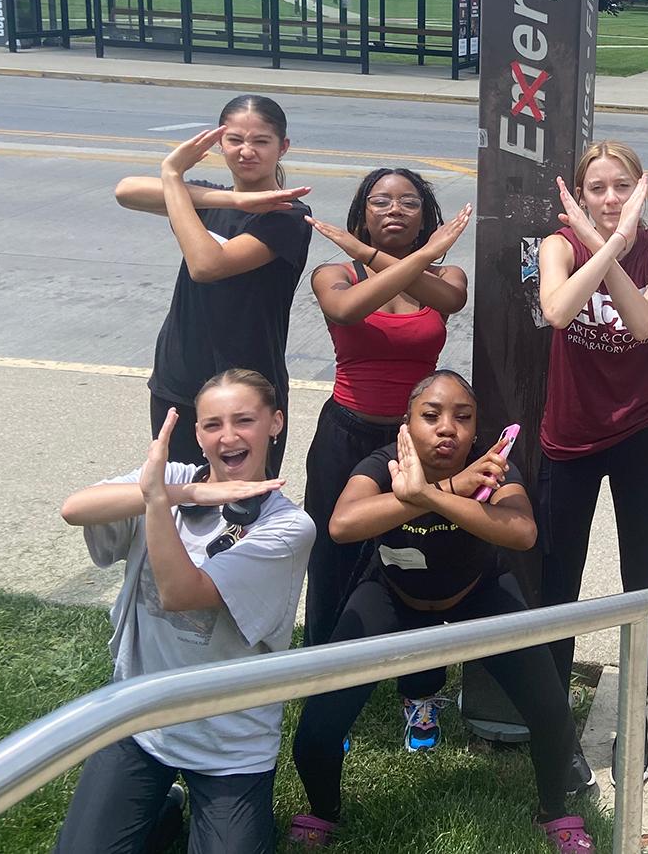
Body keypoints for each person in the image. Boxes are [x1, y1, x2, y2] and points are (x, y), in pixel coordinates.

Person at [288, 371, 594, 854]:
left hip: (478, 593)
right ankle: (323, 811)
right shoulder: (383, 462)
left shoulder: (491, 467)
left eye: (463, 418)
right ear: (406, 426)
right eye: (431, 416)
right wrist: (448, 488)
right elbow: (344, 524)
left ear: (476, 430)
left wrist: (429, 495)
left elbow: (521, 532)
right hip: (391, 594)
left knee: (552, 712)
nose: (447, 427)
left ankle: (554, 811)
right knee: (317, 727)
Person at [53, 369, 314, 854]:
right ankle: (163, 806)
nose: (228, 437)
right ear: (197, 434)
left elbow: (180, 592)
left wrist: (154, 501)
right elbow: (75, 508)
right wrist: (181, 494)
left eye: (245, 420)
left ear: (275, 423)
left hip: (230, 741)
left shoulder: (289, 528)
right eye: (212, 424)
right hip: (140, 716)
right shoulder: (173, 480)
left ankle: (182, 808)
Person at [297, 168, 473, 755]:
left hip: (418, 444)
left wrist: (407, 257)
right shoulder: (334, 272)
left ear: (426, 213)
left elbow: (449, 298)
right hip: (346, 435)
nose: (393, 209)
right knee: (333, 559)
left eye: (408, 202)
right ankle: (328, 691)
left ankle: (420, 694)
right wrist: (374, 255)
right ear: (361, 211)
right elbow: (346, 312)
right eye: (379, 201)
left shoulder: (445, 274)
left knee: (419, 561)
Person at [537, 141, 648, 783]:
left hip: (638, 436)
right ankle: (555, 730)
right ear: (579, 193)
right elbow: (558, 310)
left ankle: (636, 715)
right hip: (568, 437)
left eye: (621, 186)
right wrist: (602, 242)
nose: (608, 199)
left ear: (641, 187)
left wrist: (625, 241)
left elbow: (645, 322)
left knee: (641, 582)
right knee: (559, 585)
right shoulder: (558, 246)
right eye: (596, 187)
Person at [114, 95, 313, 477]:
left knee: (242, 506)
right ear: (219, 143)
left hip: (248, 385)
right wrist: (233, 199)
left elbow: (206, 266)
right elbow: (125, 191)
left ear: (283, 147)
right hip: (181, 374)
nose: (247, 151)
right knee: (180, 496)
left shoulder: (288, 216)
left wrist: (173, 175)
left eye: (261, 141)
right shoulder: (207, 199)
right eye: (235, 140)